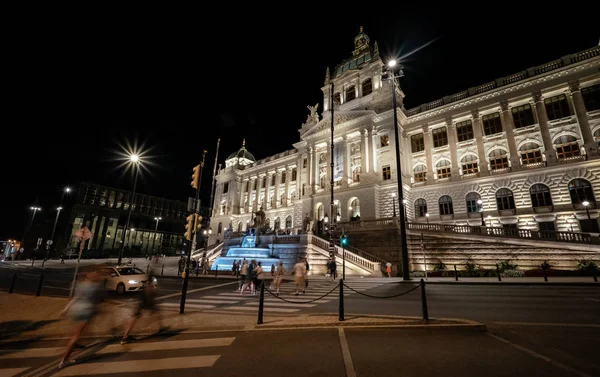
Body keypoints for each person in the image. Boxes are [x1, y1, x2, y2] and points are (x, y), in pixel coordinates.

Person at [58, 270, 107, 369]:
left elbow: (75, 298)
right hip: (86, 312)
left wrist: (65, 309)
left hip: (75, 310)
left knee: (76, 333)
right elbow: (98, 301)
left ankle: (74, 345)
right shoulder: (96, 287)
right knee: (76, 336)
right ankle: (64, 359)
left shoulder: (81, 285)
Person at [121, 271, 165, 344]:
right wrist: (152, 299)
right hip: (145, 298)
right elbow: (149, 290)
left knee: (136, 316)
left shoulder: (147, 279)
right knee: (136, 316)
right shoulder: (150, 281)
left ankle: (125, 336)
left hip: (142, 297)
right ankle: (125, 337)